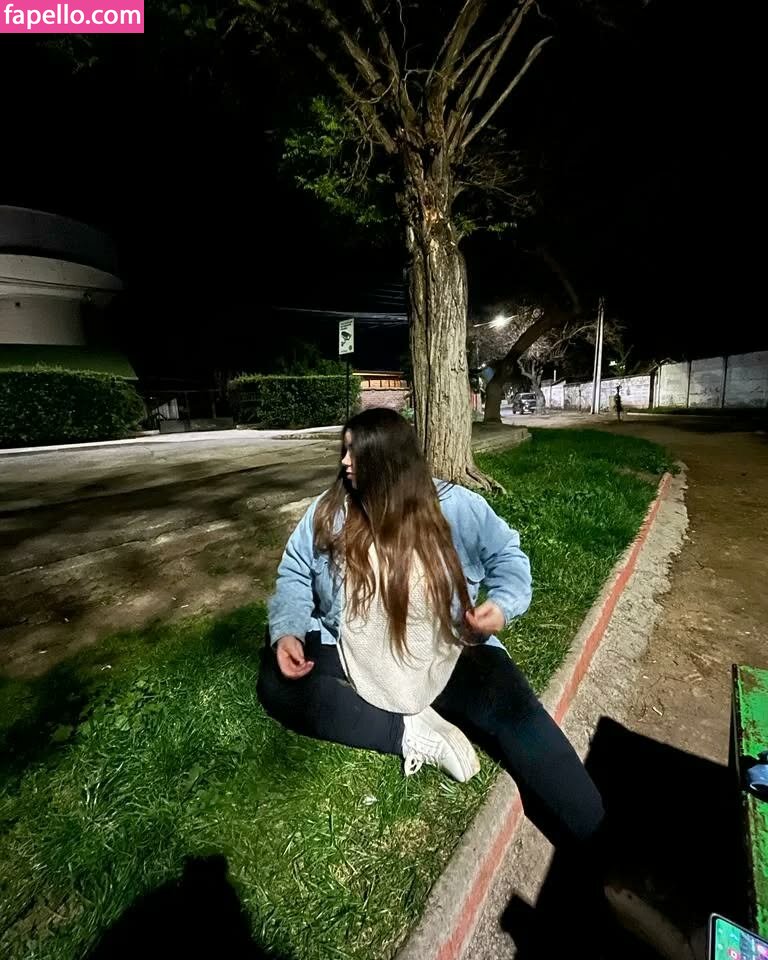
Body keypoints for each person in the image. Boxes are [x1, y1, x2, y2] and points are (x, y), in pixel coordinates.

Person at [258, 408, 604, 850]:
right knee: (278, 681)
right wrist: (288, 631)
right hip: (355, 650)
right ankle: (408, 732)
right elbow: (295, 571)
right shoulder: (329, 511)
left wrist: (500, 606)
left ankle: (599, 839)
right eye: (344, 450)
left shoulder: (457, 507)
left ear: (390, 461)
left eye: (355, 453)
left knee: (518, 715)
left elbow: (508, 557)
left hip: (447, 650)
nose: (345, 463)